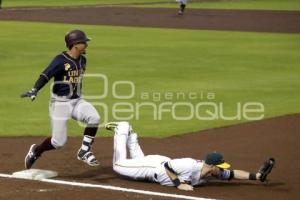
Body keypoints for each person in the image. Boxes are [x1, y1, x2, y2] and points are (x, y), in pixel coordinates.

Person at [105, 121, 275, 191]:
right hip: (153, 168)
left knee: (135, 160)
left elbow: (234, 173)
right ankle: (122, 128)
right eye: (220, 167)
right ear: (212, 166)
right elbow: (167, 167)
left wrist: (256, 176)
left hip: (156, 163)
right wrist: (179, 184)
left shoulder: (211, 171)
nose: (222, 171)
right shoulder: (190, 165)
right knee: (118, 165)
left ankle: (131, 134)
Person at [21, 29, 101, 169]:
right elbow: (46, 75)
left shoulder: (83, 60)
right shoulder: (60, 60)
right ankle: (36, 151)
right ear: (75, 44)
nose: (86, 45)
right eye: (84, 42)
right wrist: (35, 89)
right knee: (58, 143)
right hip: (60, 103)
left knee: (94, 118)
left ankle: (84, 151)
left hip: (77, 101)